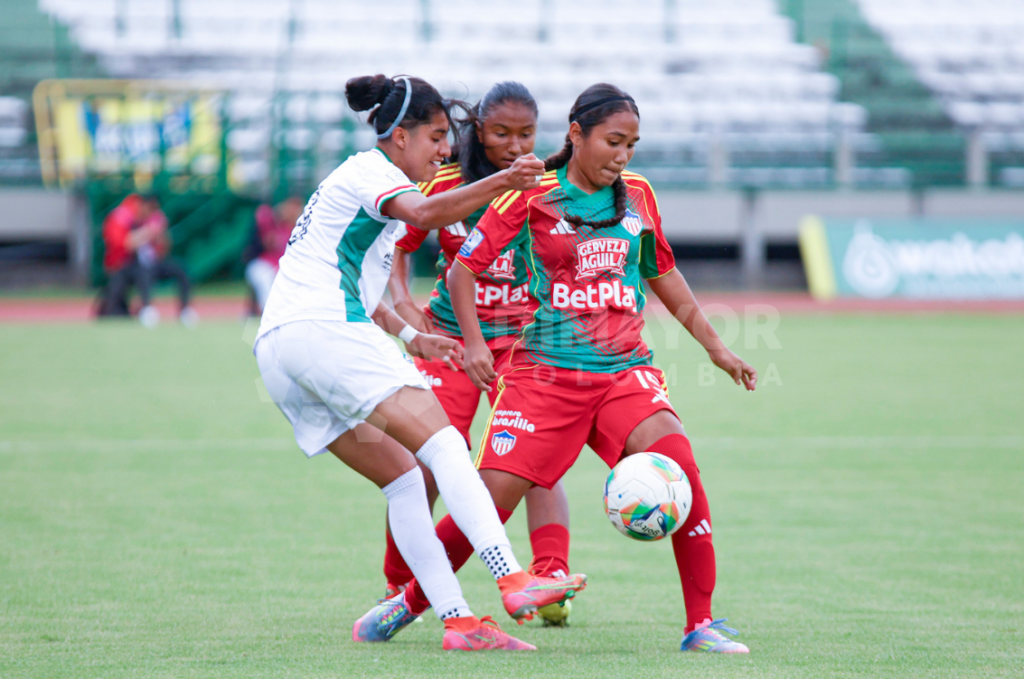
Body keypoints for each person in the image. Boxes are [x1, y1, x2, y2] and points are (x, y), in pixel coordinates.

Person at [375, 84, 758, 654]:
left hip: (624, 373)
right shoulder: (530, 194)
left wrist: (716, 347)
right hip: (544, 378)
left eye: (631, 144)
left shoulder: (639, 195)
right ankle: (408, 601)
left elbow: (663, 273)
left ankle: (699, 625)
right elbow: (462, 271)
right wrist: (474, 344)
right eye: (613, 141)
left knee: (681, 470)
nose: (622, 155)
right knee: (487, 503)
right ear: (576, 134)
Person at [252, 74, 587, 652]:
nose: (444, 149)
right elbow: (426, 214)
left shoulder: (363, 187)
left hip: (282, 350)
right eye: (435, 137)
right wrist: (505, 180)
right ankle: (512, 578)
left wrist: (412, 335)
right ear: (400, 136)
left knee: (405, 480)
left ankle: (459, 623)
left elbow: (362, 289)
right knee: (447, 445)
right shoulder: (372, 172)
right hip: (324, 331)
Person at [385, 82, 574, 626]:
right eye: (501, 133)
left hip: (523, 340)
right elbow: (397, 247)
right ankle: (399, 586)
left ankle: (550, 578)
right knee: (422, 464)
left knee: (534, 460)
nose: (515, 146)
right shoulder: (445, 181)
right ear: (478, 131)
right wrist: (404, 302)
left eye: (526, 134)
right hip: (450, 338)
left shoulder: (548, 187)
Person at [100, 193, 196, 327]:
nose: (152, 211)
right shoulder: (123, 216)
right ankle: (146, 309)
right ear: (141, 205)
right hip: (125, 265)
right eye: (150, 207)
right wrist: (148, 231)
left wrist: (161, 236)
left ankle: (185, 310)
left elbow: (163, 251)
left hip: (151, 263)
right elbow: (125, 244)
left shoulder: (156, 217)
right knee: (142, 272)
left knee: (180, 269)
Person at [244, 197, 303, 314]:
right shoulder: (270, 220)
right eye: (290, 206)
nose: (292, 211)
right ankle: (269, 312)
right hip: (263, 264)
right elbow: (267, 242)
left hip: (285, 266)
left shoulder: (299, 228)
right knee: (264, 275)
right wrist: (277, 218)